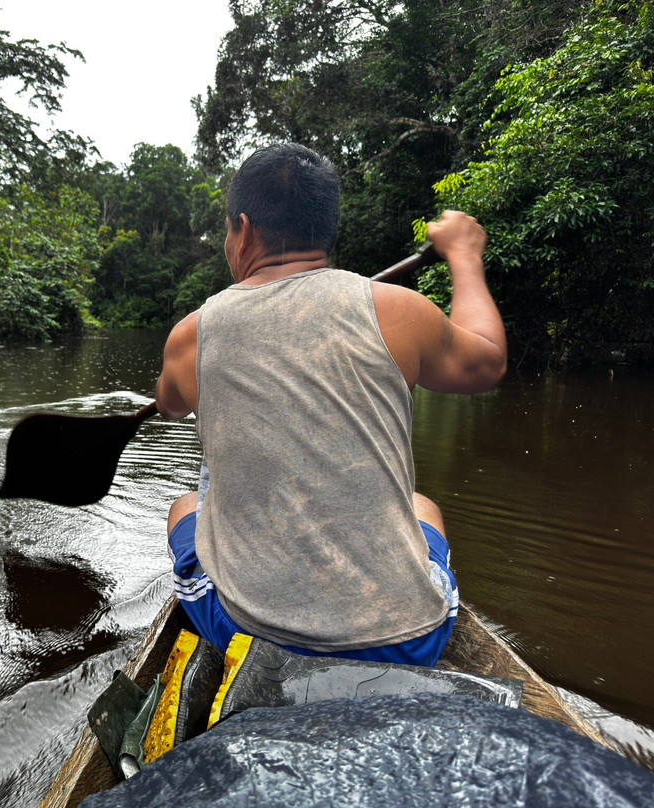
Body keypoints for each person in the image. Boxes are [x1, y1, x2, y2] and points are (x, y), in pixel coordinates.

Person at [155, 143, 507, 667]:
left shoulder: (190, 337)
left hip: (253, 640)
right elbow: (489, 361)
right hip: (409, 639)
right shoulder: (400, 312)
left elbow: (167, 406)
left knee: (185, 506)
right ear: (324, 230)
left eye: (229, 231)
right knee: (423, 506)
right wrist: (464, 257)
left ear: (244, 230)